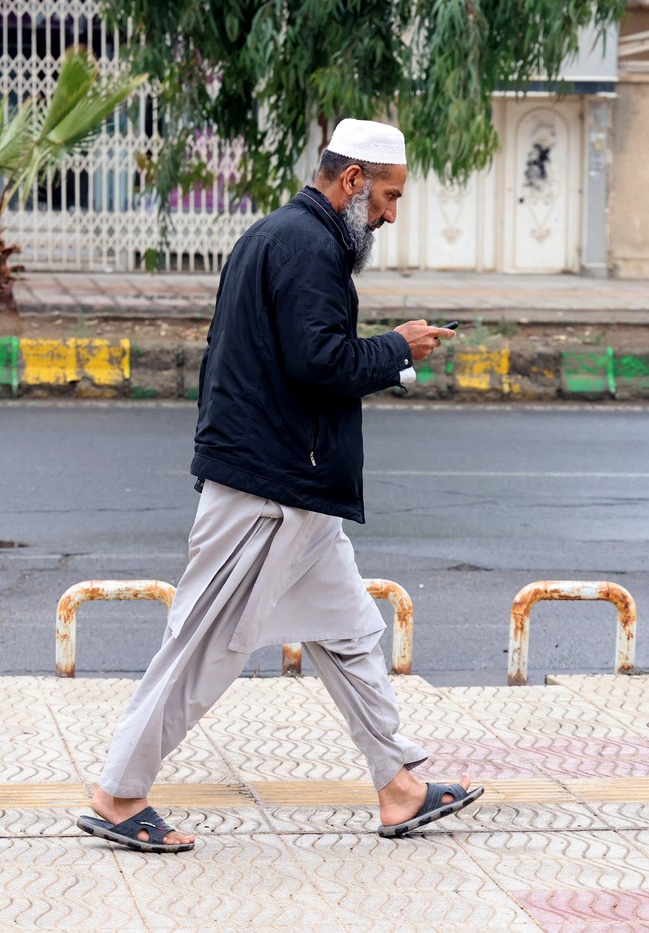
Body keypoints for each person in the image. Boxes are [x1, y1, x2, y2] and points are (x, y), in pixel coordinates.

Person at [79, 118, 482, 853]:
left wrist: (391, 351)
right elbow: (317, 363)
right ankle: (118, 792)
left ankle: (400, 786)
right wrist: (400, 348)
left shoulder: (284, 237)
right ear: (352, 181)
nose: (392, 214)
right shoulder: (306, 247)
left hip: (296, 488)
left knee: (351, 633)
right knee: (204, 645)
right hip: (269, 491)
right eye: (389, 196)